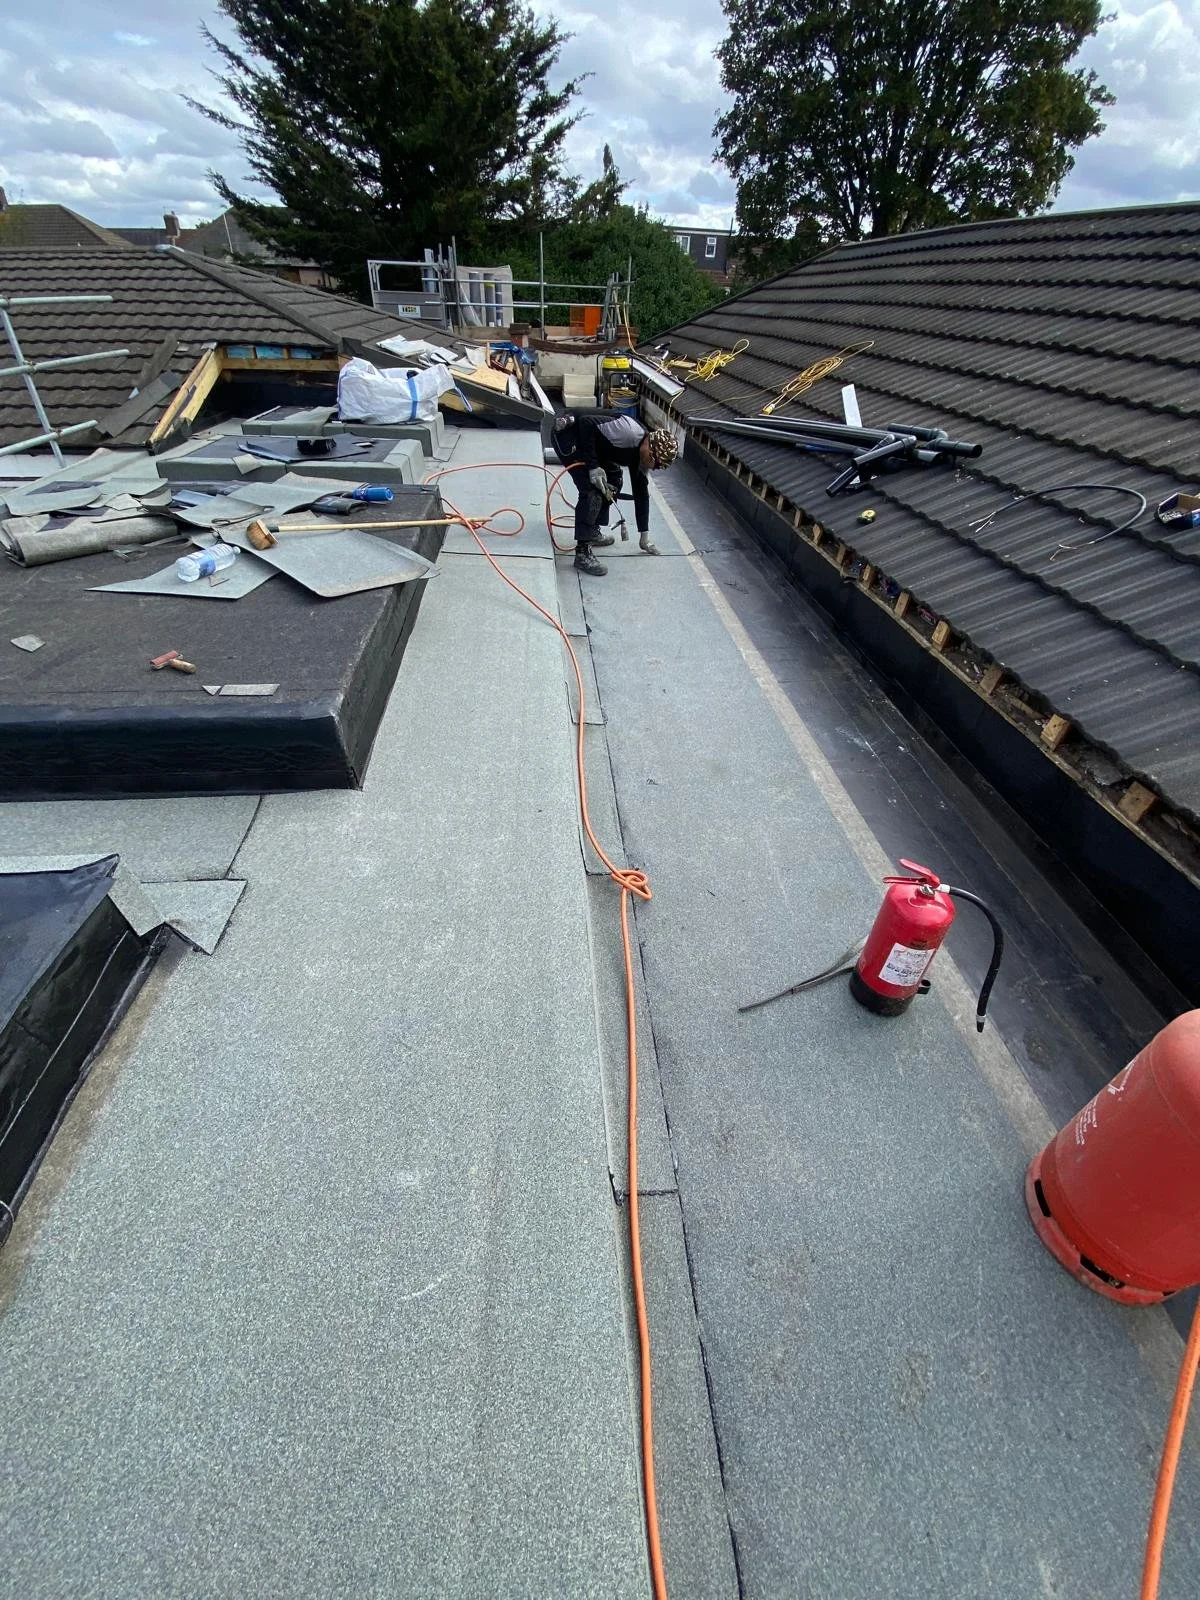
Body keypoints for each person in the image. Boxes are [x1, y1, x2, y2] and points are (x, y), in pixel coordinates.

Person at [550, 410, 679, 576]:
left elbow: (641, 492)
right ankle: (583, 553)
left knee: (614, 480)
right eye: (655, 463)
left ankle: (593, 531)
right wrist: (593, 466)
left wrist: (644, 537)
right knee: (592, 491)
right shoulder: (629, 433)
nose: (653, 468)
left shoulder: (640, 452)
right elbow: (585, 423)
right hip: (568, 435)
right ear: (650, 446)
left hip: (593, 443)